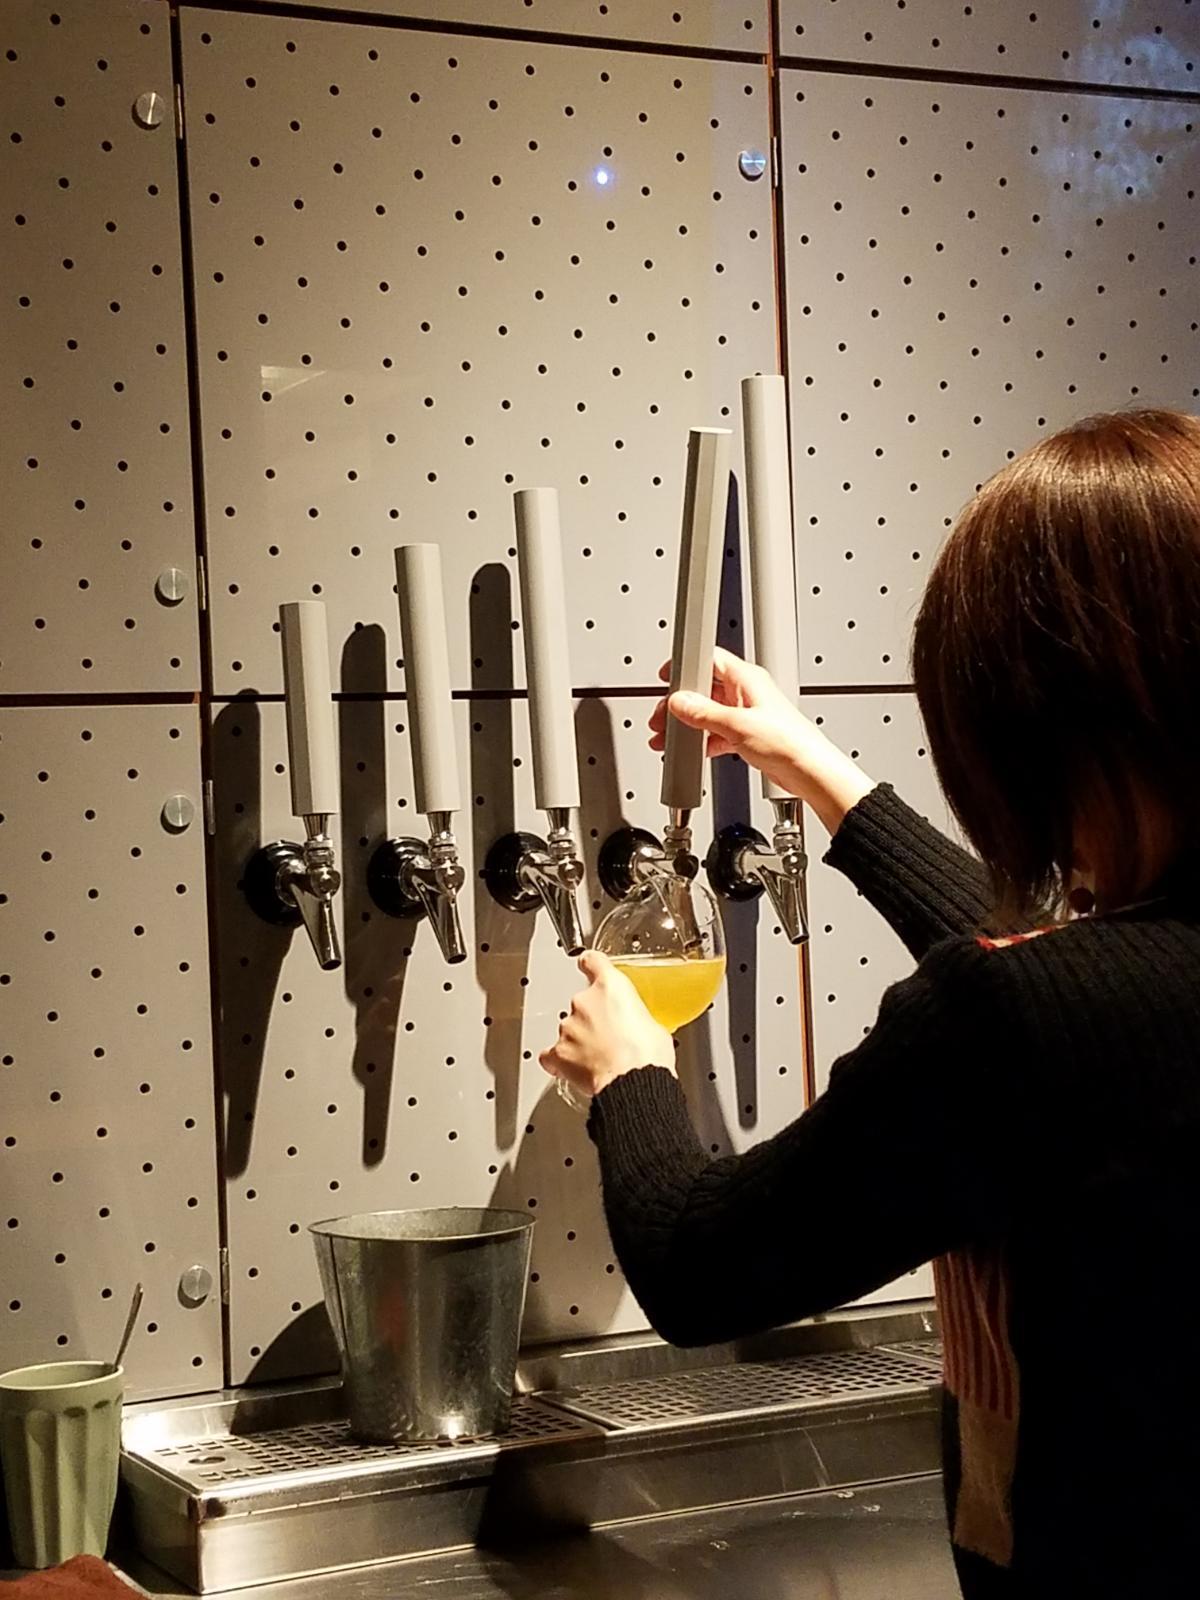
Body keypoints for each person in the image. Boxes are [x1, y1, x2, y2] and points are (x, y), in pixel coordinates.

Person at [540, 409, 1200, 1598]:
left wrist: (628, 1073)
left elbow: (700, 1264)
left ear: (1022, 729)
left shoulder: (1018, 1027)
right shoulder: (1086, 1008)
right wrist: (820, 774)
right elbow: (1074, 996)